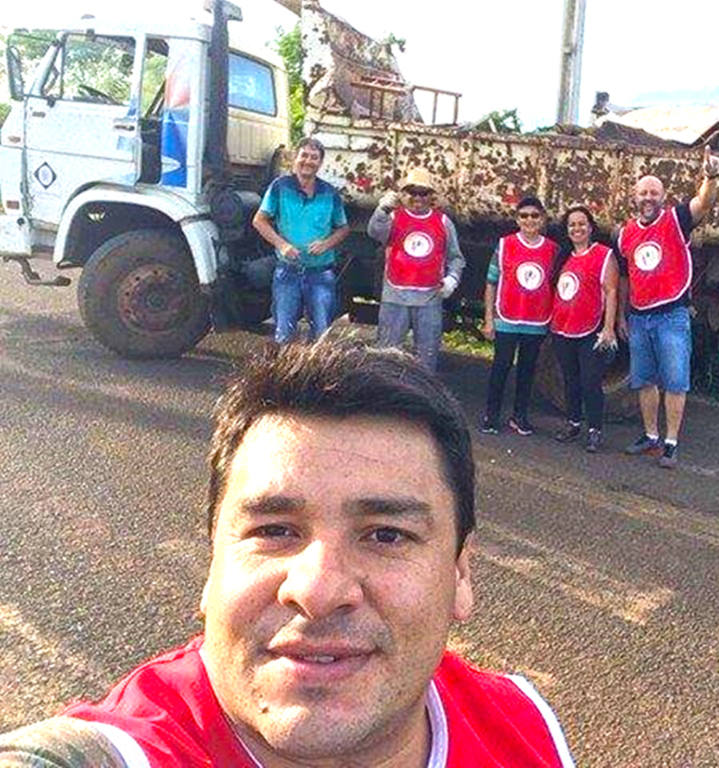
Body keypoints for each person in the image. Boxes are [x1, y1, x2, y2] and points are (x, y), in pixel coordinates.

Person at [0, 339, 576, 767]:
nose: (317, 590)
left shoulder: (525, 726)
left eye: (386, 535)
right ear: (212, 565)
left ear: (460, 574)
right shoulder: (124, 752)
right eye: (275, 530)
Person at [617, 146, 719, 468]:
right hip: (639, 317)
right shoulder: (625, 234)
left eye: (654, 193)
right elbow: (625, 276)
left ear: (663, 197)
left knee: (675, 381)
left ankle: (671, 443)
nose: (648, 198)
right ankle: (650, 436)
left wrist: (711, 175)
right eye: (643, 193)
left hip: (671, 316)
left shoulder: (675, 219)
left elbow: (703, 202)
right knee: (644, 380)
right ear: (634, 198)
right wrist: (622, 314)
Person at [253, 137, 351, 344]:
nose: (308, 161)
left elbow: (343, 229)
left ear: (320, 163)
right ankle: (285, 374)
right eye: (304, 155)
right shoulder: (279, 187)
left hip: (321, 273)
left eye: (314, 157)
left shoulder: (330, 193)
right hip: (288, 272)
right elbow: (259, 221)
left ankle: (314, 374)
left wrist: (326, 244)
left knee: (321, 331)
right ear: (294, 159)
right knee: (284, 332)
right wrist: (282, 244)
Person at [368, 168, 466, 373]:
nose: (417, 198)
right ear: (404, 194)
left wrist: (451, 280)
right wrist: (382, 210)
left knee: (426, 360)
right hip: (395, 297)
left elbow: (456, 258)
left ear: (431, 196)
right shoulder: (394, 217)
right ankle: (382, 400)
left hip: (429, 299)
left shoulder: (443, 222)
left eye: (423, 193)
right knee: (385, 357)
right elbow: (375, 232)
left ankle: (421, 401)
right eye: (412, 192)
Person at [480, 196, 558, 436]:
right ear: (517, 219)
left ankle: (519, 416)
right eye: (524, 216)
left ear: (542, 218)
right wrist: (489, 318)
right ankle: (491, 416)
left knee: (527, 371)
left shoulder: (552, 249)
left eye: (534, 215)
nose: (529, 220)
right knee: (500, 368)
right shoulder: (505, 245)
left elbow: (556, 285)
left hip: (536, 321)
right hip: (507, 318)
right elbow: (491, 282)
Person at [549, 205, 619, 453]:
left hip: (590, 329)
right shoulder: (563, 257)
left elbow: (611, 292)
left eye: (581, 224)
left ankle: (595, 430)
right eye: (572, 225)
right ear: (567, 231)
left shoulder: (604, 255)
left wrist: (609, 327)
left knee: (591, 382)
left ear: (591, 228)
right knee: (570, 380)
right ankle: (573, 422)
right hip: (562, 329)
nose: (577, 228)